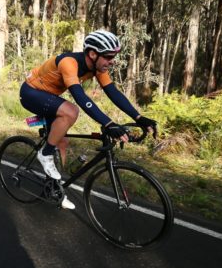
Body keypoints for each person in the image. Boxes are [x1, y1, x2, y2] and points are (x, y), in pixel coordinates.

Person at [19, 30, 157, 210]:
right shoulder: (69, 63)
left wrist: (139, 117)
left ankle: (53, 188)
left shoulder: (97, 67)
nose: (112, 61)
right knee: (71, 112)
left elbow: (113, 93)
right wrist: (108, 124)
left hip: (49, 98)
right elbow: (80, 97)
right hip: (31, 93)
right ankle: (44, 154)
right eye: (108, 56)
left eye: (113, 56)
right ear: (93, 54)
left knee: (62, 141)